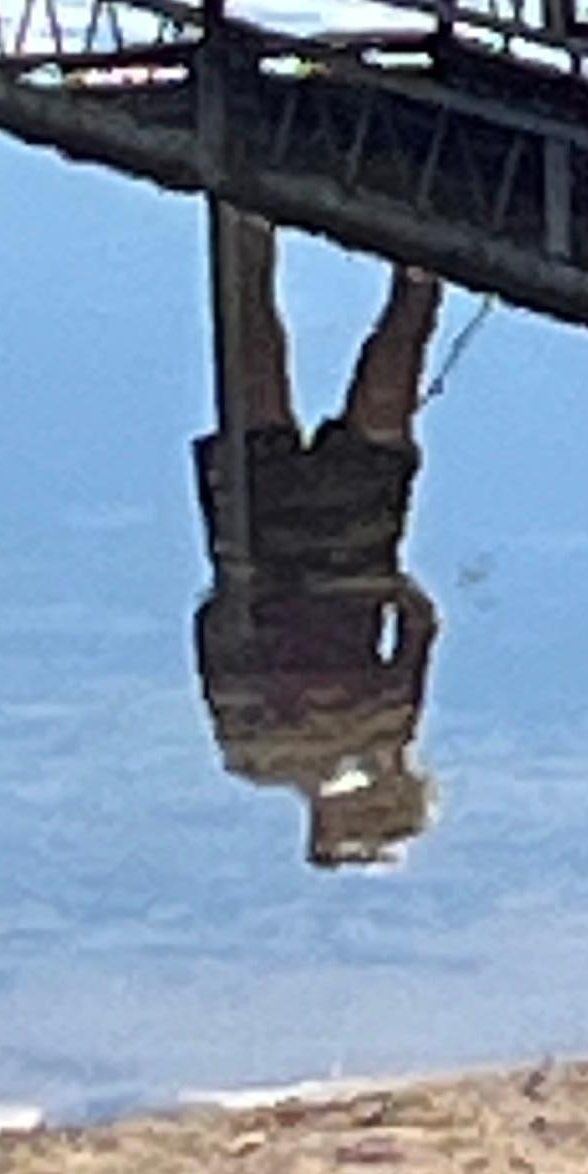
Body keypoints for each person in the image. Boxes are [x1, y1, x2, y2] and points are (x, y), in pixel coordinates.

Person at [193, 226, 443, 868]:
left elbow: (419, 622)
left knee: (395, 359)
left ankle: (421, 253)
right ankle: (245, 218)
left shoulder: (385, 727)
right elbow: (209, 628)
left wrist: (384, 582)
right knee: (250, 338)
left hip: (350, 548)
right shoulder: (248, 751)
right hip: (259, 547)